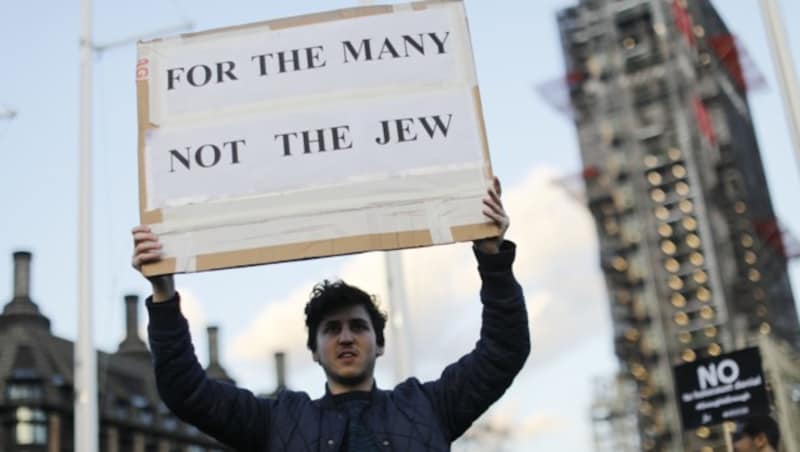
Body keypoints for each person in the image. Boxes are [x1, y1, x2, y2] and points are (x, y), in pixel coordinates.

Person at [131, 177, 530, 451]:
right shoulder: (277, 422)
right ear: (314, 351)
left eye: (359, 326)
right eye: (331, 329)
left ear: (379, 344)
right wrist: (164, 295)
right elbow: (186, 391)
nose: (345, 337)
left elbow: (504, 349)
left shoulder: (430, 406)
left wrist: (493, 257)